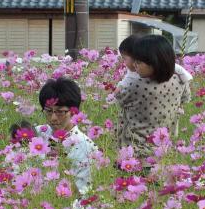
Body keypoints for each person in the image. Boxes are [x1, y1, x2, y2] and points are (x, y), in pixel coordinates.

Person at [11, 78, 97, 196]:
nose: (53, 118)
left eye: (60, 112)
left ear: (74, 111)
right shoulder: (37, 134)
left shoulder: (87, 147)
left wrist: (62, 167)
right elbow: (18, 169)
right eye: (48, 111)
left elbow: (84, 194)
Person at [114, 35, 189, 168]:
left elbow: (119, 99)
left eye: (139, 62)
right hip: (162, 148)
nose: (134, 65)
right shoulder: (180, 80)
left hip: (134, 151)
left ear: (154, 62)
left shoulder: (135, 84)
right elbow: (186, 98)